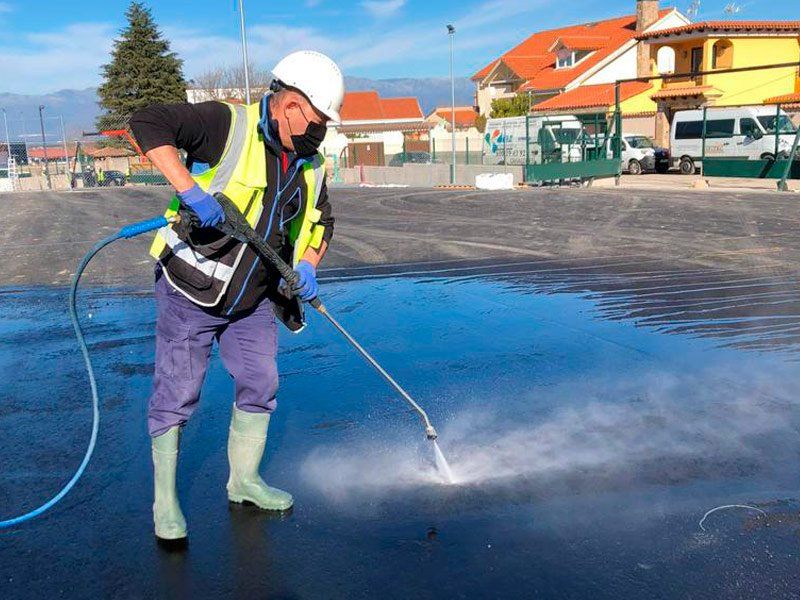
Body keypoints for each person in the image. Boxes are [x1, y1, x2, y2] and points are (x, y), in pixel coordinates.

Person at [130, 50, 344, 541]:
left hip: (250, 299)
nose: (321, 132)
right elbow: (148, 122)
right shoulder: (227, 124)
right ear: (290, 104)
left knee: (260, 381)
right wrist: (189, 190)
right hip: (191, 288)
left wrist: (308, 266)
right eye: (317, 120)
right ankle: (164, 501)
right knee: (178, 392)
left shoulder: (311, 164)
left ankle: (243, 481)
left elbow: (322, 222)